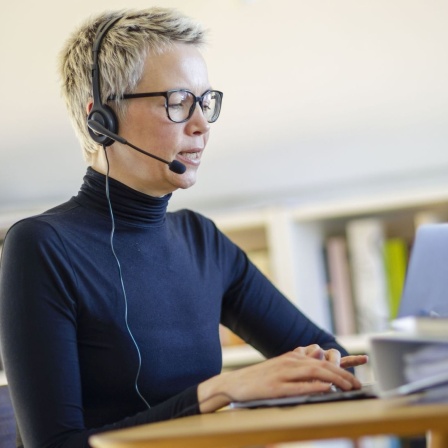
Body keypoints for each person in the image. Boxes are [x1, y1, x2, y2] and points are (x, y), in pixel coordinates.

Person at [0, 7, 367, 448]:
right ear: (102, 120)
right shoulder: (40, 247)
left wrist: (325, 366)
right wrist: (216, 391)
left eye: (205, 102)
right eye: (177, 102)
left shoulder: (201, 240)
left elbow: (339, 364)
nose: (201, 126)